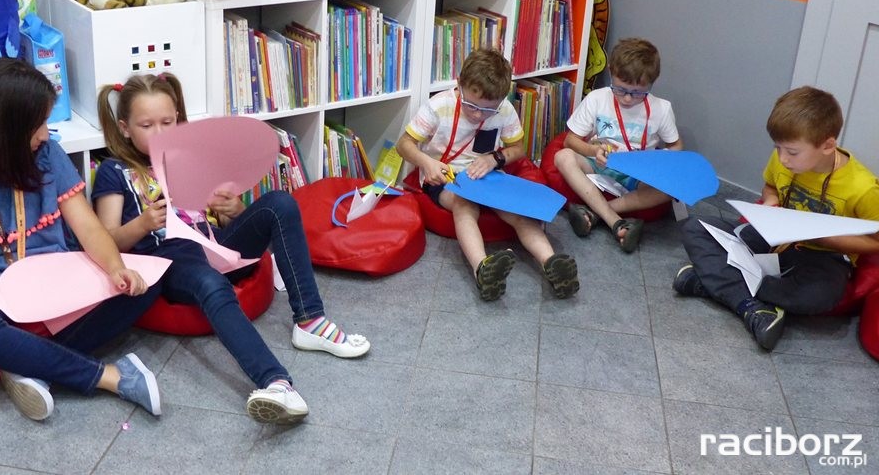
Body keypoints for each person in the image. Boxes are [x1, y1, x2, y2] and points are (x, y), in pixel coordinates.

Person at [90, 73, 370, 425]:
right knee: (209, 281)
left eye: (168, 122)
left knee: (280, 204)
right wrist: (143, 224)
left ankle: (310, 320)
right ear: (125, 128)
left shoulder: (188, 160)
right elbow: (107, 242)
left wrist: (234, 211)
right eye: (147, 125)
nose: (159, 133)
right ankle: (275, 382)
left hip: (215, 246)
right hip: (169, 260)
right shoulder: (115, 171)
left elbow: (217, 220)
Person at [0, 58, 162, 422]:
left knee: (144, 284)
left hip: (49, 271)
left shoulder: (46, 153)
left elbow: (87, 227)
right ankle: (111, 376)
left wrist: (117, 268)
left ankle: (26, 367)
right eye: (37, 125)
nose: (45, 134)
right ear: (3, 130)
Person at [675, 86, 879, 350]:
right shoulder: (782, 159)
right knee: (695, 227)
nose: (782, 159)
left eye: (792, 152)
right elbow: (770, 187)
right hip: (776, 238)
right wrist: (770, 201)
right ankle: (752, 306)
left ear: (828, 145)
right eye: (777, 148)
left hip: (823, 255)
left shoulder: (863, 188)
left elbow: (875, 243)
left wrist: (825, 238)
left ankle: (720, 286)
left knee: (820, 296)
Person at [396, 48, 579, 301]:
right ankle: (482, 269)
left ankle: (552, 264)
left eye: (487, 110)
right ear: (459, 84)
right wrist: (427, 163)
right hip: (445, 176)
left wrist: (495, 158)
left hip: (487, 176)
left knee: (519, 213)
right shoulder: (439, 106)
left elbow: (518, 149)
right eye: (471, 106)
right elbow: (403, 144)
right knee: (464, 205)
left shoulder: (504, 110)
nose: (477, 115)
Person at [553, 37, 682, 253]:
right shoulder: (597, 98)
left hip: (637, 175)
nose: (628, 99)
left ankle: (595, 214)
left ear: (652, 82)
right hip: (599, 164)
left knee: (670, 188)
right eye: (620, 89)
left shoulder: (662, 109)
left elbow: (676, 145)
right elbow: (570, 140)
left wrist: (655, 161)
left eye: (638, 93)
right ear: (611, 72)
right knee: (562, 156)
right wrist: (593, 150)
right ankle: (615, 221)